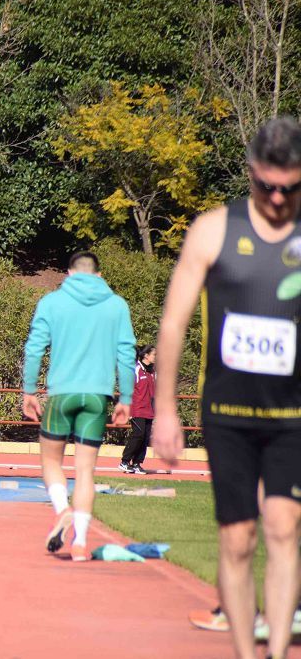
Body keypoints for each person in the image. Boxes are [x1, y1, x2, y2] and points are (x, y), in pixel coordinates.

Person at [153, 117, 301, 659]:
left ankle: (280, 649)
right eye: (267, 186)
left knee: (285, 526)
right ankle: (246, 651)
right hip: (229, 410)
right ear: (251, 176)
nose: (279, 198)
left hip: (293, 415)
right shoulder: (214, 229)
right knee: (238, 538)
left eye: (291, 187)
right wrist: (165, 411)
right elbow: (173, 323)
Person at [22, 251, 135, 562]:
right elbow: (127, 354)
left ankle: (63, 511)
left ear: (69, 274)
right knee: (86, 471)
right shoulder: (116, 305)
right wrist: (126, 398)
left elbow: (34, 347)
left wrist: (29, 390)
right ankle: (81, 543)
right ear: (99, 275)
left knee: (51, 462)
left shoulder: (52, 302)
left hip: (62, 394)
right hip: (98, 396)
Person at [120, 344, 156, 474]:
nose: (155, 357)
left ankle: (137, 463)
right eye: (154, 354)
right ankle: (124, 461)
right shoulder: (135, 369)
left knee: (145, 438)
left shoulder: (152, 372)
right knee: (138, 435)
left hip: (149, 410)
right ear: (146, 355)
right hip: (136, 409)